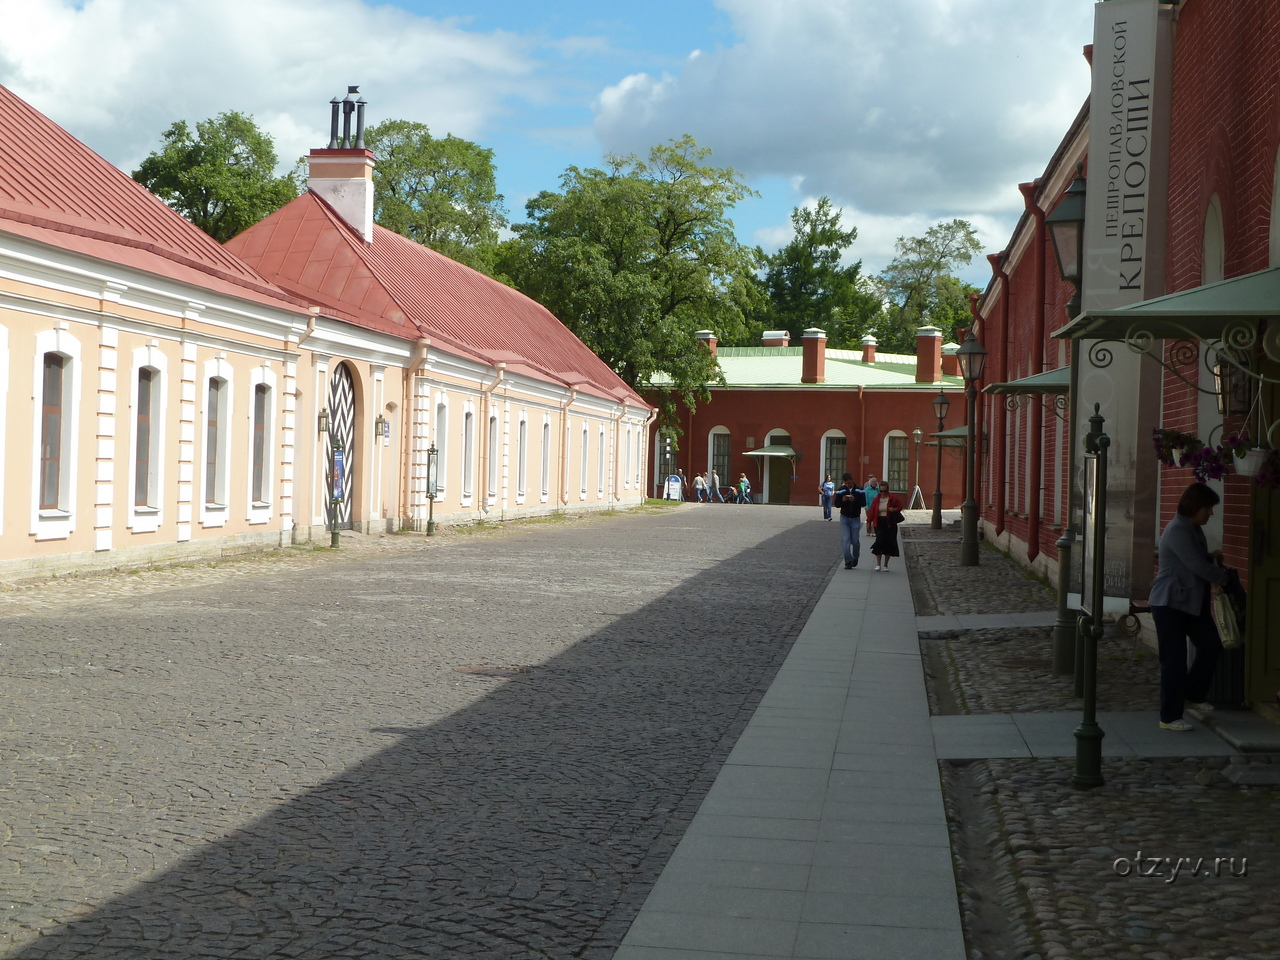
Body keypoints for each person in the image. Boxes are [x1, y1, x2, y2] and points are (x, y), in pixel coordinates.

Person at [1149, 482, 1229, 731]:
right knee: (1174, 660)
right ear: (1195, 506)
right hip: (1170, 603)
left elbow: (1194, 558)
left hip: (1191, 602)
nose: (1211, 513)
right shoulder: (1178, 529)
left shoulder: (1193, 528)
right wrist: (1225, 579)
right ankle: (1169, 717)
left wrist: (1210, 556)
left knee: (1212, 645)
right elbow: (1194, 564)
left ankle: (1193, 694)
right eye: (1208, 508)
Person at [833, 472, 867, 569]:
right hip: (844, 518)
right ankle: (848, 561)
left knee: (855, 541)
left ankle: (855, 557)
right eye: (846, 483)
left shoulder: (860, 489)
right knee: (845, 541)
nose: (848, 485)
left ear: (852, 480)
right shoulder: (841, 490)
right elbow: (837, 504)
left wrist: (855, 500)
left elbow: (864, 503)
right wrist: (843, 500)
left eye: (849, 483)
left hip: (855, 518)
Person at [870, 479, 904, 571]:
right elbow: (872, 511)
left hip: (890, 523)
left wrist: (894, 509)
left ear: (887, 490)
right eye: (881, 491)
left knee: (889, 543)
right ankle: (878, 564)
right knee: (879, 542)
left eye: (885, 491)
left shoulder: (893, 498)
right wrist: (870, 523)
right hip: (879, 522)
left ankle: (885, 565)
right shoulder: (876, 499)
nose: (883, 493)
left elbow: (900, 507)